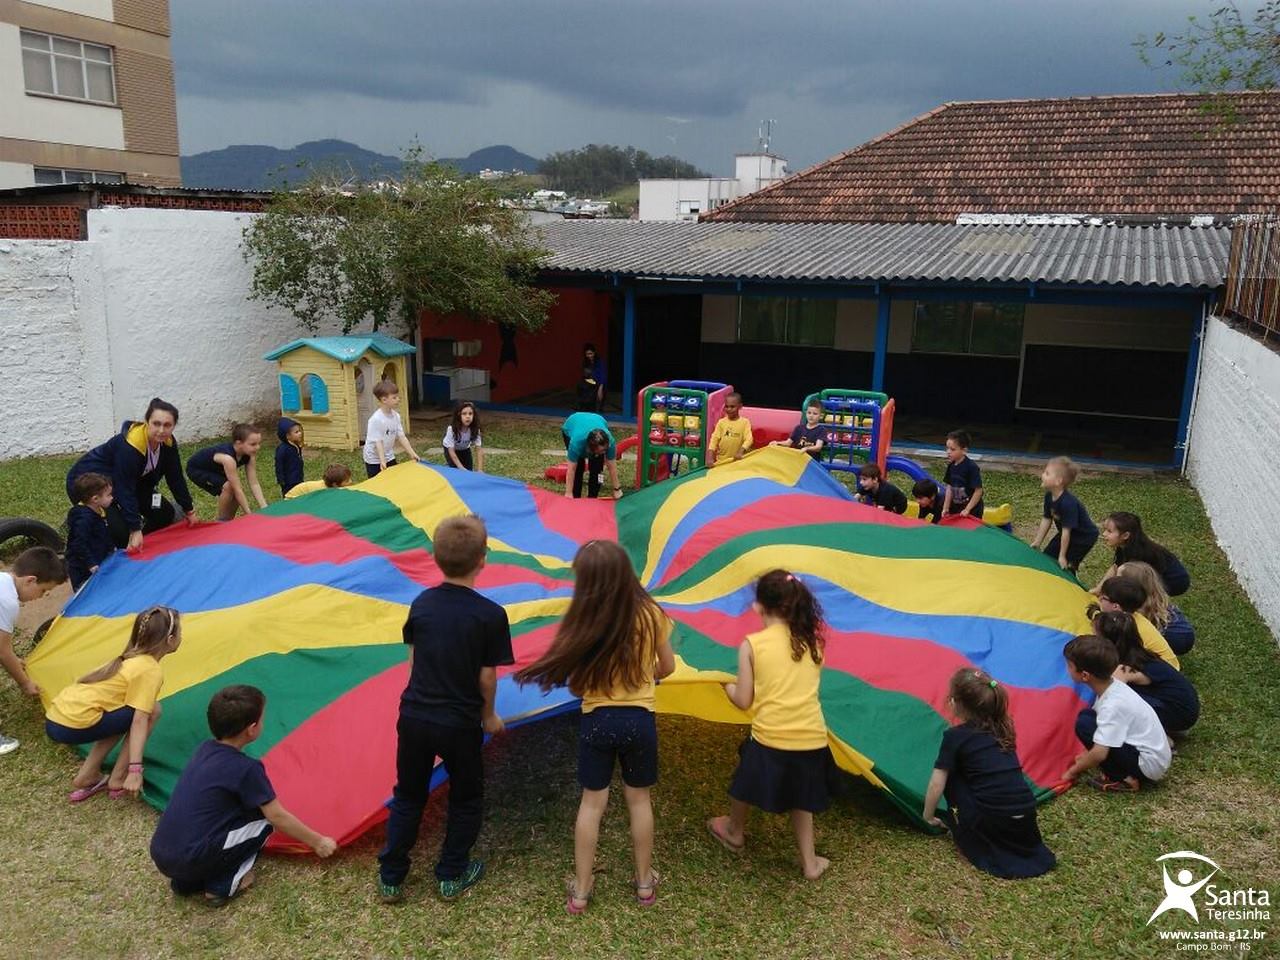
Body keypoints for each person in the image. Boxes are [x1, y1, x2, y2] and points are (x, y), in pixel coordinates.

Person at [516, 541, 676, 914]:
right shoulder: (651, 614)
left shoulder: (584, 618)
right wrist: (646, 676)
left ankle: (582, 890)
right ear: (626, 573)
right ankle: (643, 883)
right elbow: (666, 666)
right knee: (639, 801)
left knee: (592, 804)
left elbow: (575, 686)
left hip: (597, 721)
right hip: (640, 721)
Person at [377, 516, 512, 904]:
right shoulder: (490, 615)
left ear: (435, 558)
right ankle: (452, 872)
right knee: (467, 797)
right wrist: (488, 715)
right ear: (483, 559)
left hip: (415, 716)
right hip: (459, 723)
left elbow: (414, 659)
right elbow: (487, 677)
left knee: (408, 795)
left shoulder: (421, 604)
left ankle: (391, 875)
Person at [150, 685, 337, 906]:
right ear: (252, 729)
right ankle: (223, 884)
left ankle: (187, 882)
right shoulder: (246, 768)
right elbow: (277, 816)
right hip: (191, 857)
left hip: (163, 854)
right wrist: (318, 842)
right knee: (264, 822)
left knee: (232, 816)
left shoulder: (204, 749)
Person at [707, 570, 834, 880]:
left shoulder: (752, 645)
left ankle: (735, 830)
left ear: (758, 607)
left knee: (745, 773)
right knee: (800, 799)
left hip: (770, 741)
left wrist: (726, 686)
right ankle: (809, 862)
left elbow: (744, 700)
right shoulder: (813, 643)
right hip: (812, 741)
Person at [921, 668, 1055, 879]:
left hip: (994, 819)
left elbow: (937, 784)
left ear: (954, 702)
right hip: (1025, 815)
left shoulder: (955, 737)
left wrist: (928, 816)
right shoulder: (1003, 729)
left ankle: (972, 839)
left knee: (950, 774)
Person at [45, 605, 180, 801]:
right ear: (170, 640)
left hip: (55, 720)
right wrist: (135, 770)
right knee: (152, 710)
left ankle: (88, 774)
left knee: (123, 711)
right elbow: (140, 720)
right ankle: (118, 777)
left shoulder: (127, 659)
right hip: (72, 725)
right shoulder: (149, 669)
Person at [66, 398, 197, 552]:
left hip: (127, 482)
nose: (161, 430)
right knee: (121, 535)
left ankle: (143, 546)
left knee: (164, 514)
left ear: (174, 426)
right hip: (90, 486)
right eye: (156, 424)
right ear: (147, 422)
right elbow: (123, 488)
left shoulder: (167, 442)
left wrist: (189, 510)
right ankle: (115, 543)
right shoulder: (130, 446)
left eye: (167, 425)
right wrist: (134, 528)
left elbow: (175, 477)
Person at [1062, 633, 1171, 792]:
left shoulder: (1113, 705)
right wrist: (1086, 754)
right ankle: (1125, 771)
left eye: (1069, 666)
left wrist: (1073, 771)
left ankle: (1124, 779)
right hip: (1151, 756)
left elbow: (1100, 753)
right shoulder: (1112, 687)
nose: (1067, 669)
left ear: (1085, 675)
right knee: (1087, 717)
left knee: (1085, 724)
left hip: (1148, 765)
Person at [0, 548, 67, 755]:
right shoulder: (8, 601)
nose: (42, 597)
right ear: (30, 580)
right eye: (43, 591)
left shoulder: (3, 579)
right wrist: (25, 682)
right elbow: (2, 652)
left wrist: (14, 658)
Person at [1092, 611, 1199, 735]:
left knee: (1120, 700)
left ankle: (1161, 735)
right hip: (1184, 707)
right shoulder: (1137, 653)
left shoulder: (1125, 669)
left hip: (1180, 715)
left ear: (1108, 643)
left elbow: (1108, 698)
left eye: (1095, 636)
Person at [1093, 512, 1190, 597]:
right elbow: (1115, 567)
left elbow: (1128, 582)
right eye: (1105, 530)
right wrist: (1099, 589)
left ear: (1125, 535)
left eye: (1109, 531)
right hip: (1157, 574)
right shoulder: (1124, 545)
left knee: (1139, 594)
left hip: (1175, 580)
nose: (1104, 534)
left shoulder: (1140, 554)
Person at [1028, 456, 1098, 572]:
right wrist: (1037, 542)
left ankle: (1069, 582)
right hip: (1066, 534)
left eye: (1047, 473)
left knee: (1066, 566)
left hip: (1083, 538)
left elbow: (1067, 531)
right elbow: (1047, 519)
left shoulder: (1068, 503)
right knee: (1048, 557)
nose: (1042, 475)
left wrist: (1062, 556)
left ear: (1058, 481)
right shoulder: (1049, 495)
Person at [186, 424, 268, 521]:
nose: (258, 447)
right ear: (238, 443)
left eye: (259, 443)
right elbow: (238, 489)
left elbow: (254, 483)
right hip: (197, 469)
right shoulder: (228, 459)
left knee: (234, 492)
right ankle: (221, 521)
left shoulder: (250, 455)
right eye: (253, 444)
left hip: (216, 469)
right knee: (230, 487)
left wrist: (264, 507)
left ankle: (228, 521)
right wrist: (249, 514)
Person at [1095, 576, 1180, 669]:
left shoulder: (1126, 629)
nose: (1099, 599)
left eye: (1103, 597)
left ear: (1116, 606)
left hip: (1160, 672)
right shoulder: (1131, 617)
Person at [1118, 560, 1195, 655]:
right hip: (1184, 634)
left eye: (1117, 578)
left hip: (1175, 640)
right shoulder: (1157, 598)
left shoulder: (1136, 609)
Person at [65, 472, 116, 592]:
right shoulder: (84, 519)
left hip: (97, 556)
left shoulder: (98, 510)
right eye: (108, 495)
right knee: (84, 589)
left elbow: (103, 532)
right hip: (81, 565)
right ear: (95, 499)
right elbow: (78, 543)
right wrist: (90, 563)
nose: (112, 497)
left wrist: (111, 547)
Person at [363, 380, 420, 478]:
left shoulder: (396, 416)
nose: (398, 399)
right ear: (384, 400)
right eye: (394, 397)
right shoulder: (376, 419)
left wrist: (412, 453)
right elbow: (378, 442)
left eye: (397, 396)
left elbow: (401, 437)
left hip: (388, 455)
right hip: (374, 458)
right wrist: (382, 461)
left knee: (393, 479)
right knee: (377, 483)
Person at [561, 411, 622, 500]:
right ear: (591, 448)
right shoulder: (576, 442)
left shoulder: (610, 442)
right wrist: (568, 493)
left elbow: (611, 465)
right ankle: (576, 498)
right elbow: (571, 469)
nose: (604, 452)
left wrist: (617, 489)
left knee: (597, 469)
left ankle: (592, 498)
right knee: (578, 468)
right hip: (572, 423)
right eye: (602, 450)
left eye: (605, 449)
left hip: (597, 419)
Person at [942, 430, 983, 519]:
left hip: (972, 509)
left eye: (952, 449)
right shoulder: (951, 465)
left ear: (964, 450)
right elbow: (949, 487)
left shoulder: (971, 467)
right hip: (957, 507)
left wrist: (968, 509)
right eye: (947, 448)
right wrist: (946, 507)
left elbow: (978, 491)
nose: (948, 452)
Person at [707, 393, 753, 466]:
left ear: (740, 406)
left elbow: (749, 439)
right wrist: (710, 458)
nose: (729, 409)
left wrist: (740, 452)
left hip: (737, 462)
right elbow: (714, 440)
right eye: (727, 406)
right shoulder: (721, 422)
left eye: (732, 407)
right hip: (722, 462)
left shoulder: (745, 422)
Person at [443, 401, 484, 472]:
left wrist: (480, 469)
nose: (468, 416)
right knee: (456, 471)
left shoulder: (475, 429)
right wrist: (461, 467)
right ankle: (448, 466)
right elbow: (451, 451)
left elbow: (479, 449)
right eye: (464, 414)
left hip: (465, 449)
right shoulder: (451, 429)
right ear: (459, 415)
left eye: (470, 414)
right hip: (450, 449)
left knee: (469, 471)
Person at [274, 418, 305, 498]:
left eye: (300, 431)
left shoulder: (296, 445)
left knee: (299, 495)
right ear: (287, 436)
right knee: (289, 496)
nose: (300, 433)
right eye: (296, 432)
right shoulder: (282, 449)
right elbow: (279, 465)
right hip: (288, 481)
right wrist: (281, 480)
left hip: (298, 477)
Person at [284, 463, 353, 499]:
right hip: (292, 500)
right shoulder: (322, 492)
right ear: (335, 484)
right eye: (347, 481)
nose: (351, 481)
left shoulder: (329, 486)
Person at [577, 343, 606, 412]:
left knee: (595, 393)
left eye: (591, 353)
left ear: (594, 352)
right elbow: (585, 376)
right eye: (587, 354)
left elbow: (603, 376)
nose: (589, 356)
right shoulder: (585, 362)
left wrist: (600, 388)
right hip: (589, 382)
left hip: (598, 383)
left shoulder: (600, 362)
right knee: (581, 386)